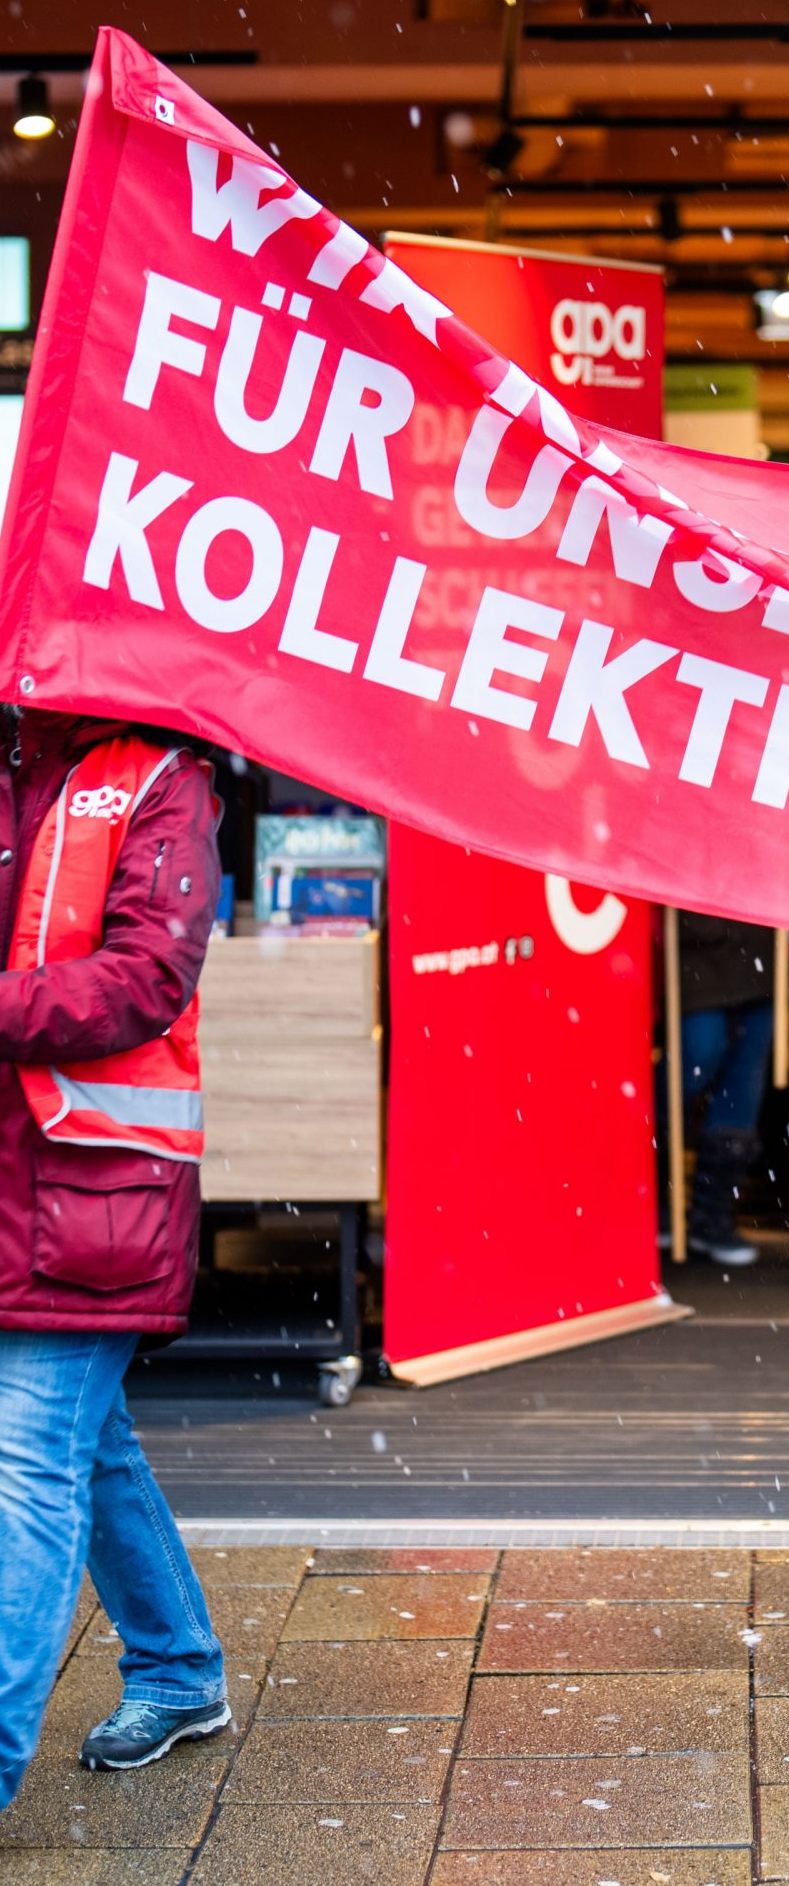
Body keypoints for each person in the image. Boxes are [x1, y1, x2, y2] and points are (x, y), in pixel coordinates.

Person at [1, 709, 227, 1808]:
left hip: (91, 1199)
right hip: (22, 1195)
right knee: (81, 1447)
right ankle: (182, 1666)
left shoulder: (161, 777)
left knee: (27, 1462)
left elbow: (147, 975)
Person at [658, 910, 775, 1267]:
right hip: (695, 936)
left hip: (758, 936)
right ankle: (651, 1187)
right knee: (697, 1057)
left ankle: (713, 1210)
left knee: (744, 1071)